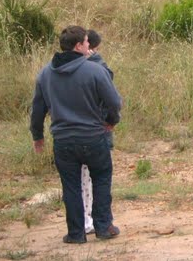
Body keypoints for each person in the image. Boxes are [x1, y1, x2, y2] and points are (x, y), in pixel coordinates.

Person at [30, 25, 122, 244]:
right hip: (93, 137)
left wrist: (37, 136)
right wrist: (111, 121)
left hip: (63, 140)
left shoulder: (45, 74)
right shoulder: (95, 70)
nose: (90, 46)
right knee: (101, 179)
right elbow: (114, 102)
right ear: (79, 45)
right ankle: (103, 226)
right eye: (87, 42)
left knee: (70, 186)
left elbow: (37, 109)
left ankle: (75, 233)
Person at [80, 29, 115, 236]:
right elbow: (110, 90)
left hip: (69, 134)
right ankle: (92, 221)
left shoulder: (59, 69)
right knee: (95, 180)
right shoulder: (96, 68)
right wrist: (112, 120)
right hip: (94, 132)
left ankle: (83, 222)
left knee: (81, 181)